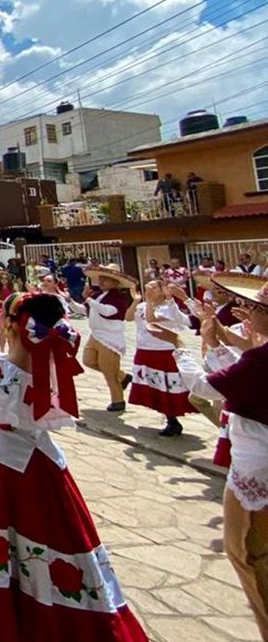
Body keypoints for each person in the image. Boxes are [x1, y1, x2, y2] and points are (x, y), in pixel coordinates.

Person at [0, 282, 148, 642]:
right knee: (55, 542)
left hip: (1, 468)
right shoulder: (47, 367)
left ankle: (10, 620)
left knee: (4, 544)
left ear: (11, 326)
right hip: (42, 463)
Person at [176, 272, 268, 638]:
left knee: (247, 555)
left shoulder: (262, 359)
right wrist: (214, 342)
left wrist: (179, 349)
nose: (246, 311)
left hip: (258, 465)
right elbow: (241, 371)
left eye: (255, 307)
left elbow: (204, 386)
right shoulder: (258, 359)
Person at [128, 279, 195, 437]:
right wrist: (136, 301)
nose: (148, 290)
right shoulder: (142, 306)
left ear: (161, 289)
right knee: (152, 385)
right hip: (144, 350)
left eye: (152, 287)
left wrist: (150, 302)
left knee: (167, 387)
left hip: (163, 351)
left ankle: (173, 421)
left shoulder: (168, 309)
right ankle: (167, 418)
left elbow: (151, 320)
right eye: (146, 287)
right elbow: (128, 318)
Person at [73, 264, 136, 413]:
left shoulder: (119, 298)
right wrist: (69, 300)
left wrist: (88, 300)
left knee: (109, 372)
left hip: (110, 337)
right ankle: (124, 376)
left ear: (115, 282)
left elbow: (108, 311)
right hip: (95, 334)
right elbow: (83, 309)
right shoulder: (97, 295)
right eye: (100, 280)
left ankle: (118, 400)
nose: (101, 283)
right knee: (88, 361)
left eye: (105, 280)